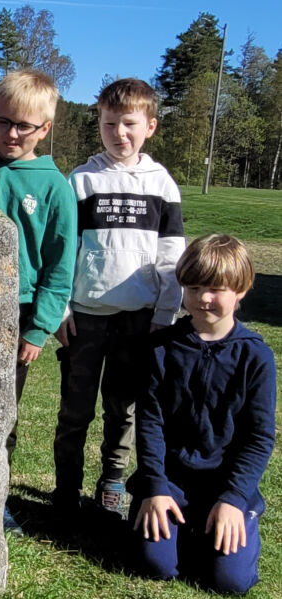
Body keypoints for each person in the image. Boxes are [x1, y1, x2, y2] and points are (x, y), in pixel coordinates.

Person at [0, 69, 77, 534]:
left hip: (17, 313)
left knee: (1, 409)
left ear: (44, 129)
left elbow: (61, 264)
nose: (10, 133)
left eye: (23, 125)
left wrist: (40, 326)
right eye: (1, 121)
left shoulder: (54, 187)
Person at [51, 78, 185, 517]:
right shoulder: (82, 180)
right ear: (100, 125)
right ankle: (66, 488)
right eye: (110, 124)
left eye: (130, 124)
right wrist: (64, 308)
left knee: (122, 409)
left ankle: (111, 482)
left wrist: (165, 311)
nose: (119, 133)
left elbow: (171, 256)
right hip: (85, 317)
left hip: (138, 320)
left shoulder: (162, 185)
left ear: (151, 126)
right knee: (75, 409)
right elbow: (64, 249)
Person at [129, 234, 275, 594]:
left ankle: (230, 522)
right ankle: (172, 521)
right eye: (193, 288)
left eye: (216, 289)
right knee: (156, 565)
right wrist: (156, 487)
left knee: (230, 582)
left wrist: (233, 499)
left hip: (223, 483)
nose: (203, 299)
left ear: (241, 290)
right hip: (172, 481)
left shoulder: (256, 357)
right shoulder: (161, 349)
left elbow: (259, 438)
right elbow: (149, 423)